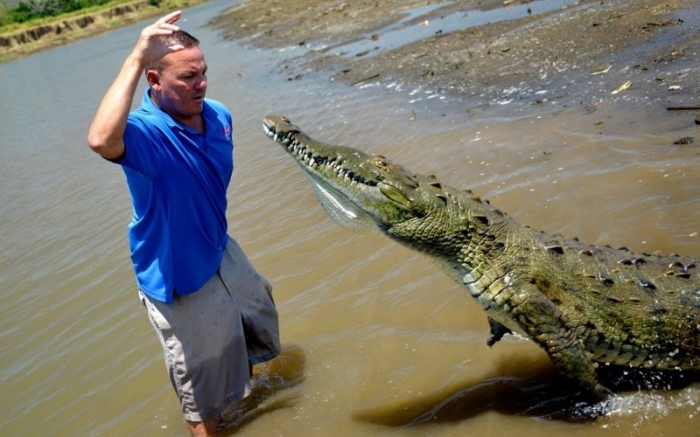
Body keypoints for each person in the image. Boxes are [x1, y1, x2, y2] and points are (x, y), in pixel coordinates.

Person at [87, 11, 281, 436]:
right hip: (175, 271)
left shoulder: (219, 116)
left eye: (203, 73)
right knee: (201, 380)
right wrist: (137, 57)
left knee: (257, 317)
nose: (202, 84)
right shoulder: (145, 134)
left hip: (218, 248)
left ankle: (250, 405)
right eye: (188, 78)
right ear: (154, 81)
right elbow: (101, 139)